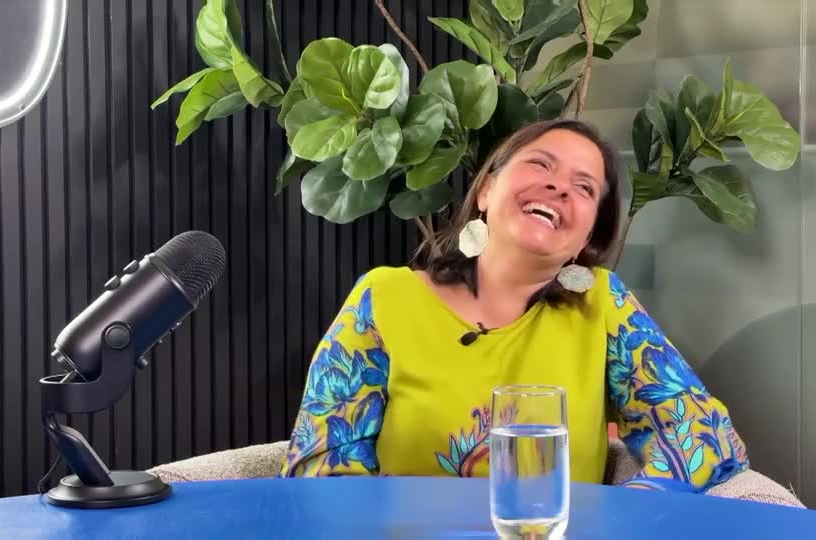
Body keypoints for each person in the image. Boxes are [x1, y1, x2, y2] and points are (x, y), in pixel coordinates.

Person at [279, 119, 748, 491]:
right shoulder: (384, 298)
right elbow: (320, 467)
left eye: (585, 188)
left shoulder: (602, 304)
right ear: (486, 190)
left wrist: (631, 510)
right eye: (541, 165)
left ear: (586, 236)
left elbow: (702, 433)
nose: (560, 187)